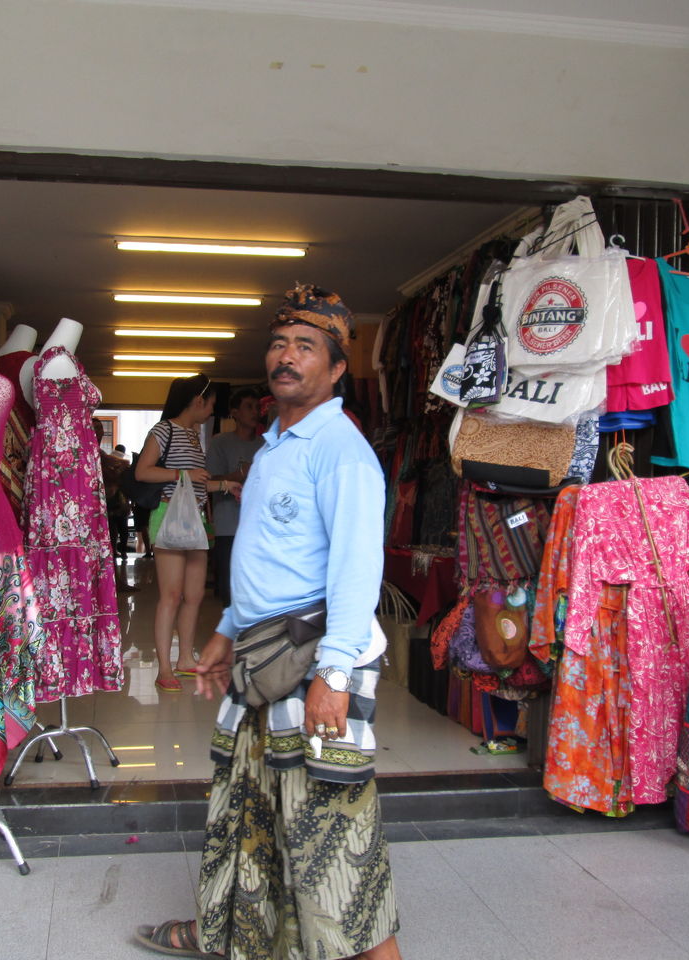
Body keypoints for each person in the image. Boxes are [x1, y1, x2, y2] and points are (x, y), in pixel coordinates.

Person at [136, 285, 402, 960]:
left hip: (315, 658)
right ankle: (231, 933)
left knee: (334, 834)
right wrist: (225, 631)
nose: (287, 356)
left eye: (306, 347)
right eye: (280, 344)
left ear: (336, 369)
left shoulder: (340, 450)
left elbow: (356, 571)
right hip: (263, 656)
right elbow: (263, 556)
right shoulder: (274, 446)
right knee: (250, 809)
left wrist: (335, 676)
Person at [134, 373, 241, 691]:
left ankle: (184, 660)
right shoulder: (163, 430)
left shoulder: (195, 435)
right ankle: (164, 669)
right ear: (198, 401)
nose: (212, 410)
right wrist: (183, 472)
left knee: (194, 596)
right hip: (169, 516)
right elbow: (143, 472)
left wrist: (226, 485)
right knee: (171, 595)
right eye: (210, 404)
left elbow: (195, 482)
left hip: (196, 519)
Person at [204, 387, 264, 606]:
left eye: (257, 407)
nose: (255, 412)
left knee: (256, 592)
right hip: (228, 528)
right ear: (235, 412)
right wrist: (240, 474)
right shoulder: (220, 443)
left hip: (260, 529)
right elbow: (210, 480)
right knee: (230, 594)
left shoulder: (265, 445)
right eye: (249, 407)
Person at [94, 419, 137, 593]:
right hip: (92, 509)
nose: (99, 432)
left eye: (100, 428)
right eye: (95, 428)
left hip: (108, 508)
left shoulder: (101, 454)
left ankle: (114, 582)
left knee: (110, 544)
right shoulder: (87, 452)